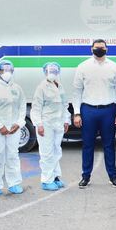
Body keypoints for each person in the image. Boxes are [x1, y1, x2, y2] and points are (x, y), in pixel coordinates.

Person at [73, 39, 116, 188]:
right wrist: (77, 113)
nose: (99, 50)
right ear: (91, 49)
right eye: (96, 48)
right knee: (87, 145)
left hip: (109, 110)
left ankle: (113, 176)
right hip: (88, 110)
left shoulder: (114, 67)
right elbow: (77, 91)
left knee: (109, 145)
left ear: (107, 49)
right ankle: (86, 176)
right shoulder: (83, 66)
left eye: (102, 48)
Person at [0, 60, 27, 197]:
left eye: (10, 70)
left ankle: (14, 183)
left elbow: (22, 107)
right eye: (4, 70)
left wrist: (19, 123)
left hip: (14, 128)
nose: (7, 73)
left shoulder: (17, 88)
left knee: (13, 156)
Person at [31, 62, 70, 191]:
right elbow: (36, 107)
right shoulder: (41, 87)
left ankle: (55, 177)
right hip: (46, 124)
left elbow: (64, 105)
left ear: (58, 72)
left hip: (58, 124)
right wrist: (39, 124)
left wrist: (66, 120)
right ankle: (46, 180)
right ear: (45, 72)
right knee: (47, 153)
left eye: (54, 71)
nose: (52, 73)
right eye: (50, 71)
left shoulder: (60, 86)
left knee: (56, 151)